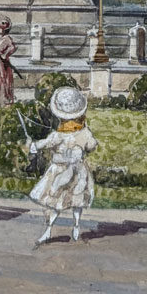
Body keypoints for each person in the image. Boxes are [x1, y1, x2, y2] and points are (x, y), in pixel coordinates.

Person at [28, 86, 98, 244]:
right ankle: (76, 225)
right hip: (78, 171)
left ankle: (48, 229)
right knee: (76, 200)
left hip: (59, 170)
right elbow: (92, 145)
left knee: (54, 202)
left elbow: (44, 144)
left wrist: (34, 146)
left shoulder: (57, 135)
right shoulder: (84, 133)